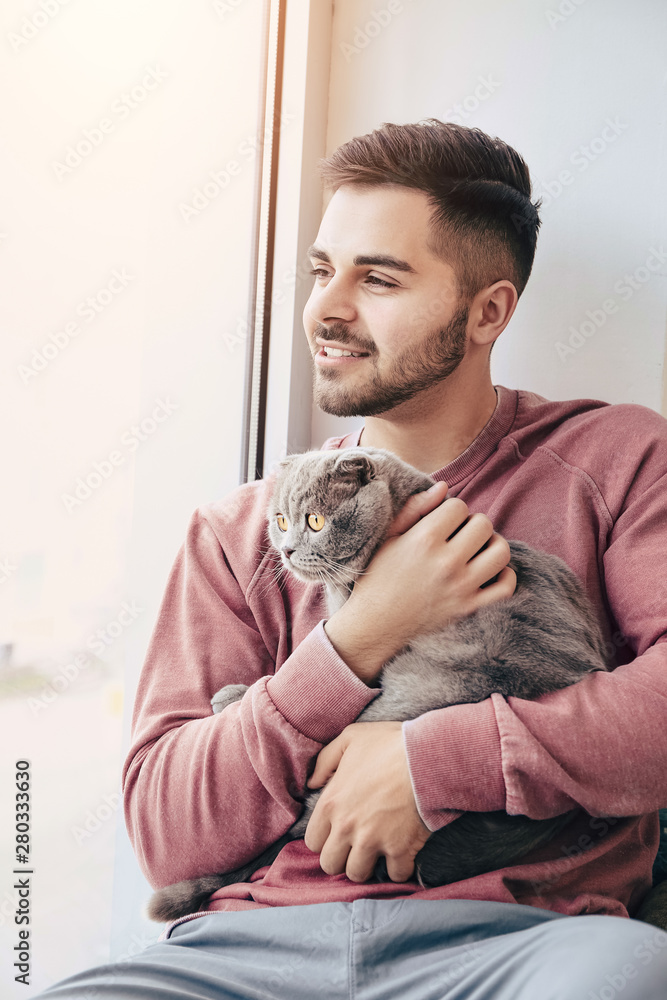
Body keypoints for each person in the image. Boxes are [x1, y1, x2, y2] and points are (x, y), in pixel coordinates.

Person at [37, 121, 667, 999]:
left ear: (486, 311)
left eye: (377, 278)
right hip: (246, 955)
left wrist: (429, 761)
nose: (326, 309)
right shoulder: (241, 529)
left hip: (521, 944)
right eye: (321, 271)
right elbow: (165, 833)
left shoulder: (615, 459)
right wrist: (360, 639)